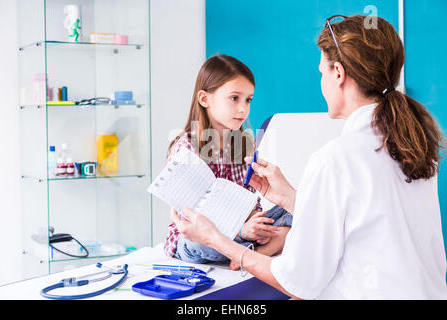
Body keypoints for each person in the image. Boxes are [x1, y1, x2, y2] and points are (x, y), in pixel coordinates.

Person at [171, 15, 447, 299]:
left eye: (321, 72)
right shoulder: (414, 147)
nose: (321, 81)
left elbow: (298, 283)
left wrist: (215, 238)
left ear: (338, 73)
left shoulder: (336, 159)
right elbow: (365, 217)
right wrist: (290, 197)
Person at [164, 54, 292, 267]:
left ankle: (254, 249)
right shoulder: (186, 148)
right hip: (198, 239)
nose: (243, 108)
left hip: (239, 232)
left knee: (297, 206)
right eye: (234, 98)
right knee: (198, 243)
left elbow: (250, 199)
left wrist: (255, 221)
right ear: (205, 99)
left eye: (248, 100)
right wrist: (241, 230)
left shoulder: (243, 143)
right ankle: (260, 247)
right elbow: (191, 217)